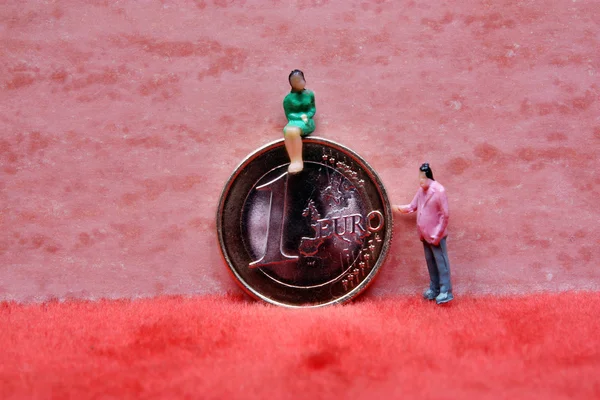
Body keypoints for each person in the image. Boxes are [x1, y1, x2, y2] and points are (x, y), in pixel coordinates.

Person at [395, 163, 454, 304]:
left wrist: (437, 234)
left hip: (435, 235)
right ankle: (434, 288)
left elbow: (445, 215)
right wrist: (396, 208)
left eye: (422, 178)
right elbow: (412, 207)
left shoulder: (439, 190)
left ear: (429, 177)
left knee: (441, 263)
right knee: (431, 263)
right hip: (424, 234)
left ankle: (446, 290)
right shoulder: (421, 190)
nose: (420, 181)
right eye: (419, 177)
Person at [283, 70, 316, 174]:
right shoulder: (288, 99)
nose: (298, 83)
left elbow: (312, 109)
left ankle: (297, 161)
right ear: (291, 83)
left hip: (307, 122)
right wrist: (299, 116)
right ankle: (293, 160)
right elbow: (289, 114)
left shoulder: (310, 94)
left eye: (300, 80)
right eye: (295, 81)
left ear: (304, 80)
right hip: (294, 120)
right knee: (287, 130)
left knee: (293, 131)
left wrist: (307, 116)